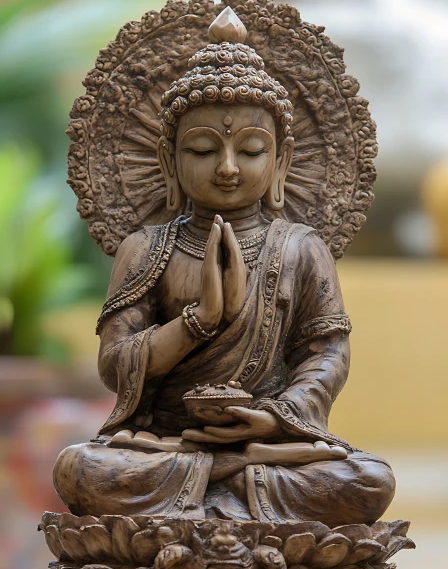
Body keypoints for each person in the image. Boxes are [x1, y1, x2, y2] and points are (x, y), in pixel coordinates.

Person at [54, 30, 394, 526]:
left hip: (267, 440)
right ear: (169, 160)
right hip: (166, 444)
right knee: (81, 468)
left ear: (283, 160)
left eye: (252, 150)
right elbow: (115, 362)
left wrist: (278, 416)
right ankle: (230, 487)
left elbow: (325, 354)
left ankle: (223, 481)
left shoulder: (302, 248)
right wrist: (200, 320)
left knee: (367, 479)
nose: (228, 168)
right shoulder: (145, 248)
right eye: (202, 150)